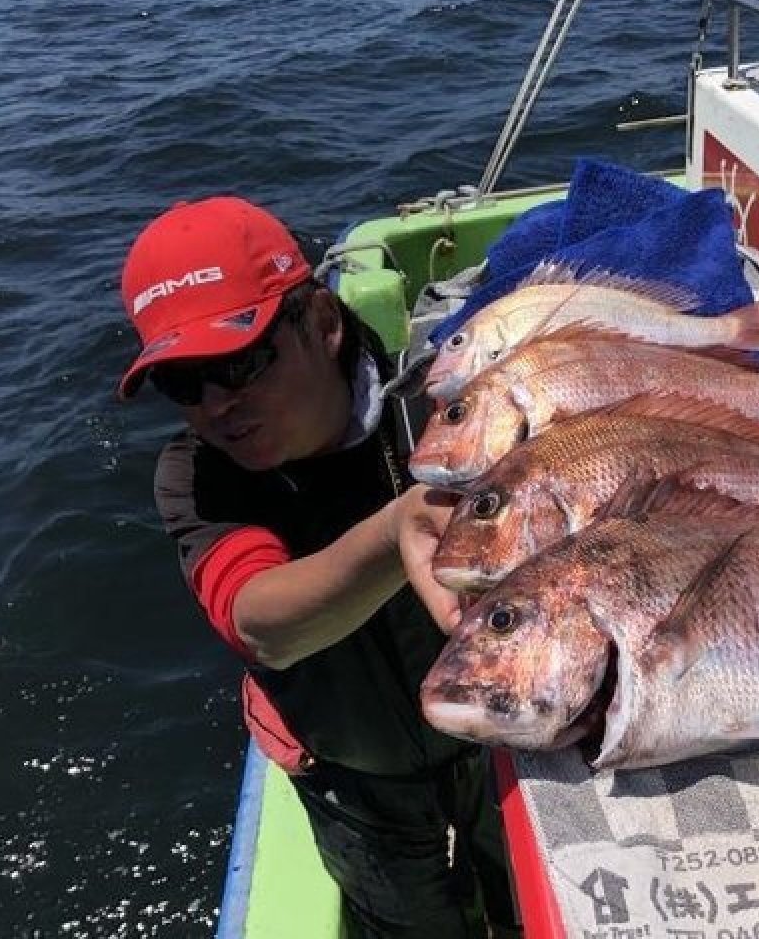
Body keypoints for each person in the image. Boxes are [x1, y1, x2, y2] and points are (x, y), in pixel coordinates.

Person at [116, 196, 522, 938]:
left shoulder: (446, 407)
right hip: (353, 774)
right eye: (183, 385)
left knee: (521, 896)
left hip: (496, 729)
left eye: (238, 363)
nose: (215, 406)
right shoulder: (196, 477)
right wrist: (398, 528)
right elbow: (261, 622)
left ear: (324, 323)